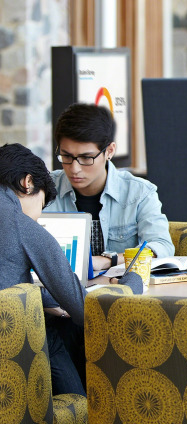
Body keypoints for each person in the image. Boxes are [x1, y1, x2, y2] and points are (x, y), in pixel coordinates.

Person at [0, 143, 143, 396]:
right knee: (57, 338)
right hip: (10, 355)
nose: (38, 217)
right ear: (28, 182)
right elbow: (86, 310)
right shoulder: (21, 224)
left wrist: (47, 297)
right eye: (42, 206)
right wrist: (133, 279)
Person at [45, 103, 174, 271]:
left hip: (122, 292)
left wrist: (108, 260)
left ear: (110, 151)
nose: (74, 168)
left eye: (86, 158)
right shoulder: (44, 189)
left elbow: (162, 247)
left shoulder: (139, 192)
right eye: (66, 156)